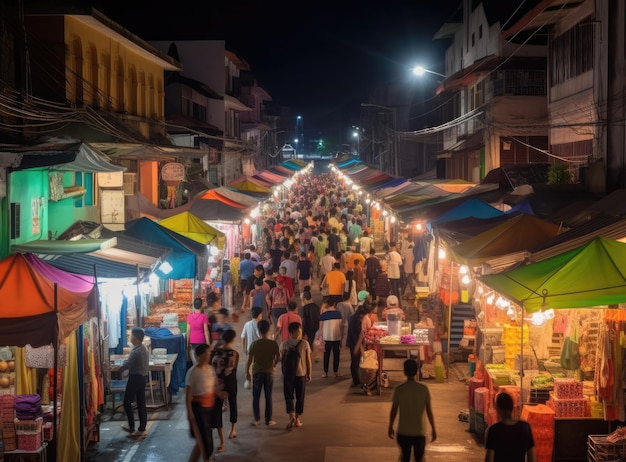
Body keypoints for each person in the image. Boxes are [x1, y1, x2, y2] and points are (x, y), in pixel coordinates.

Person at [388, 359, 437, 462]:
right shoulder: (424, 389)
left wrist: (390, 426)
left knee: (405, 457)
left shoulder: (399, 389)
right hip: (419, 432)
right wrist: (433, 429)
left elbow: (394, 411)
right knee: (419, 459)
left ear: (404, 371)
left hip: (403, 432)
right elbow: (429, 411)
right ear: (417, 370)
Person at [186, 343, 227, 462]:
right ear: (200, 355)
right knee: (203, 441)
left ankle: (206, 459)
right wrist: (190, 414)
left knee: (205, 440)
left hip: (210, 408)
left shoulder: (210, 369)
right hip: (198, 409)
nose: (209, 354)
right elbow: (188, 395)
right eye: (207, 353)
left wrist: (220, 394)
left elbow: (212, 388)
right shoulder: (192, 372)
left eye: (210, 352)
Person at [246, 320, 280, 426]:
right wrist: (274, 364)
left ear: (258, 330)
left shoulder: (254, 344)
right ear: (269, 330)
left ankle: (256, 419)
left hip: (256, 372)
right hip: (269, 372)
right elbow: (278, 357)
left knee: (256, 396)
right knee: (268, 396)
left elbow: (249, 360)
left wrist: (247, 372)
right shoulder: (273, 344)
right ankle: (268, 419)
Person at [485, 392, 536, 462]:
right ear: (512, 407)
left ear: (498, 409)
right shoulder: (525, 427)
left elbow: (489, 459)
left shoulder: (494, 430)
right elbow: (532, 458)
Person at [211, 329, 239, 449]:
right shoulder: (235, 353)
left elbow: (210, 368)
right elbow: (234, 370)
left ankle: (222, 442)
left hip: (217, 384)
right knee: (233, 404)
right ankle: (232, 430)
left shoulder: (214, 352)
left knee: (217, 409)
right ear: (233, 339)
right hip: (230, 382)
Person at [280, 322, 312, 430]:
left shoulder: (285, 343)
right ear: (296, 330)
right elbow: (308, 360)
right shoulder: (305, 343)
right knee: (300, 396)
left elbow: (282, 359)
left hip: (288, 374)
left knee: (288, 395)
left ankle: (291, 416)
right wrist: (309, 373)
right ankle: (297, 419)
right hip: (301, 373)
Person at [119, 327, 149, 439]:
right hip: (142, 378)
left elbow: (127, 364)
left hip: (135, 378)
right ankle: (142, 428)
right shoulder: (144, 348)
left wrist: (119, 368)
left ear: (136, 339)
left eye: (131, 336)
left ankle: (131, 427)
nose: (129, 337)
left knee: (127, 402)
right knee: (141, 403)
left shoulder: (136, 351)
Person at [318, 298, 343, 378]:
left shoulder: (323, 315)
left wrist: (320, 337)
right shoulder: (338, 314)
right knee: (336, 355)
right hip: (336, 337)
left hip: (326, 337)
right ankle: (336, 371)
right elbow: (340, 326)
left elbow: (320, 328)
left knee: (326, 355)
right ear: (334, 304)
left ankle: (325, 372)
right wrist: (341, 337)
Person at [346, 306, 367, 387]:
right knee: (355, 361)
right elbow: (357, 335)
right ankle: (356, 381)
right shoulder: (356, 321)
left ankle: (356, 379)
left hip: (352, 341)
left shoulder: (352, 317)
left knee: (354, 361)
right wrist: (358, 345)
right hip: (354, 342)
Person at [186, 297, 210, 364]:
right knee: (201, 361)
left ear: (194, 306)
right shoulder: (204, 317)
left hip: (192, 342)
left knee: (195, 361)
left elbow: (188, 331)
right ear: (201, 306)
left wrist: (187, 344)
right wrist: (208, 343)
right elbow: (206, 331)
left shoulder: (189, 317)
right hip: (201, 341)